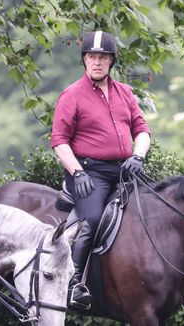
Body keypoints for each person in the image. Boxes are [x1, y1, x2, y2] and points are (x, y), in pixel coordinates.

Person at [51, 30, 151, 309]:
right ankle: (72, 286)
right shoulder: (71, 95)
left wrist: (138, 155)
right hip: (88, 173)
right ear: (84, 60)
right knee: (91, 220)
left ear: (111, 62)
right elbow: (59, 140)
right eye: (92, 57)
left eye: (103, 57)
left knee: (160, 210)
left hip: (123, 170)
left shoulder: (125, 92)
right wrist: (77, 172)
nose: (97, 62)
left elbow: (142, 130)